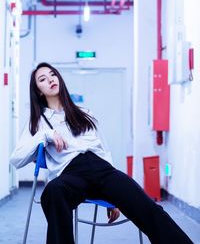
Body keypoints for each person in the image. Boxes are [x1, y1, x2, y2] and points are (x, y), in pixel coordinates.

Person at [10, 62, 193, 244]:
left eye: (52, 74)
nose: (50, 79)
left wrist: (114, 197)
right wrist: (46, 134)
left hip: (103, 170)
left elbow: (104, 150)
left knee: (148, 207)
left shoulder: (84, 113)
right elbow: (16, 159)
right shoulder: (38, 123)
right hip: (71, 173)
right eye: (43, 79)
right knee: (52, 192)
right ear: (39, 90)